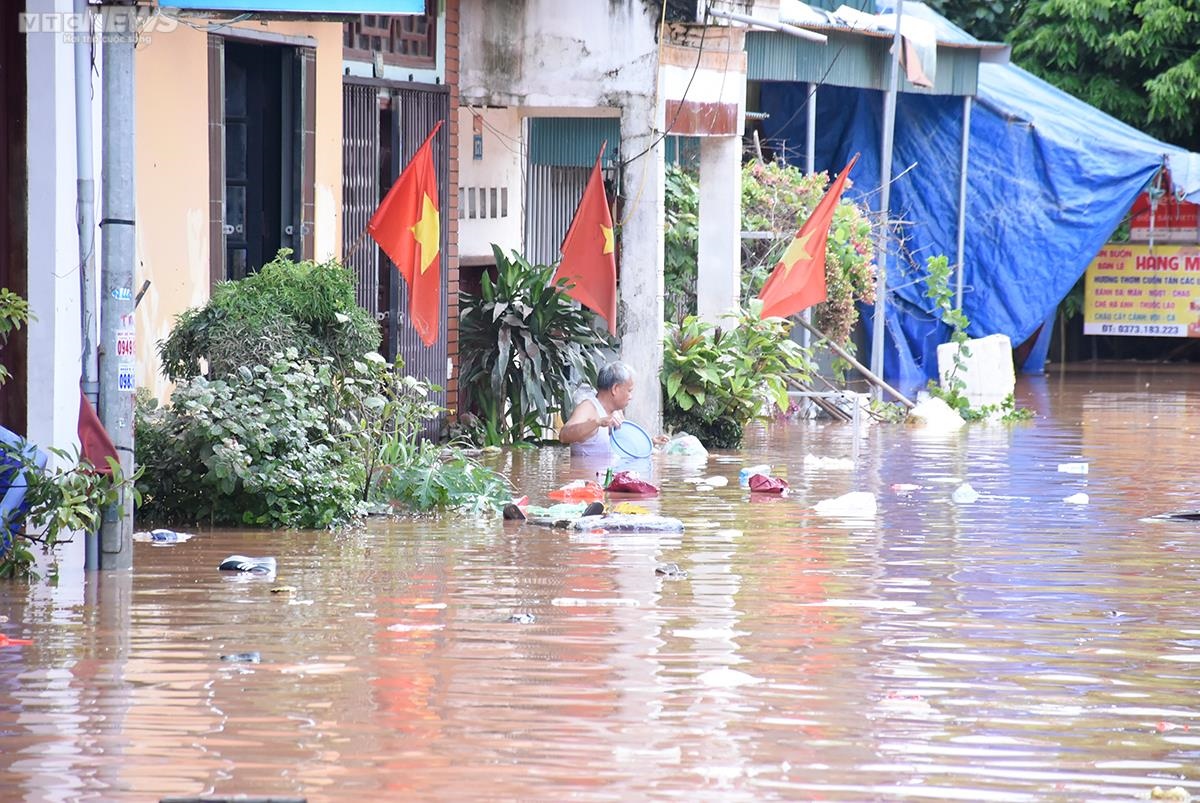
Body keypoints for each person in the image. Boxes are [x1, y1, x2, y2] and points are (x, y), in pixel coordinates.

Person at [558, 361, 667, 456]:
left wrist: (650, 442)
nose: (631, 396)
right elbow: (564, 436)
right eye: (629, 391)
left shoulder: (617, 412)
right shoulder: (588, 408)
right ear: (615, 389)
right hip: (589, 478)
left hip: (610, 476)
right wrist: (598, 422)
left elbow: (622, 445)